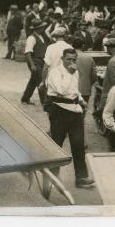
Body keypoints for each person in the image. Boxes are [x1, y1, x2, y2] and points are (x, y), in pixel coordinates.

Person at [45, 48, 95, 189]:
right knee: (56, 145)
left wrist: (80, 99)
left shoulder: (75, 72)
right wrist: (70, 74)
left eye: (74, 60)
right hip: (60, 110)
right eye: (69, 59)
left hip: (75, 111)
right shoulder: (55, 73)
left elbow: (74, 90)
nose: (71, 62)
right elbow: (61, 90)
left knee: (78, 145)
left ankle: (81, 177)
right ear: (62, 58)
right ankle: (51, 177)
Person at [21, 19, 48, 105]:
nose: (43, 28)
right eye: (41, 27)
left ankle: (25, 98)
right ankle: (44, 102)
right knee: (40, 81)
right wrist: (32, 65)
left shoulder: (41, 36)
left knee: (33, 81)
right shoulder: (32, 38)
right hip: (35, 62)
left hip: (41, 61)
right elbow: (28, 52)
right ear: (37, 28)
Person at [72, 37, 97, 105]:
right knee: (82, 111)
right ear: (83, 46)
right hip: (85, 89)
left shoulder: (68, 58)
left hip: (71, 89)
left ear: (72, 45)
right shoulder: (89, 58)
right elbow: (94, 76)